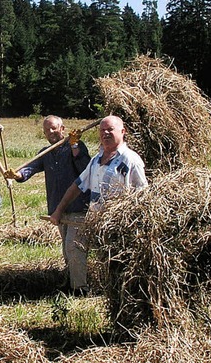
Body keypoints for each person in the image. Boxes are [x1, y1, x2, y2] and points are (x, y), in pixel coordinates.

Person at [49, 115, 148, 294]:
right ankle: (79, 289)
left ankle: (116, 293)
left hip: (118, 223)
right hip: (95, 219)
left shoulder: (131, 160)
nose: (106, 133)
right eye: (102, 130)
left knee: (115, 261)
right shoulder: (96, 160)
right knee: (74, 246)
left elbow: (143, 195)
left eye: (110, 129)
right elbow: (77, 185)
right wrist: (59, 210)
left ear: (123, 132)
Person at [4, 115, 91, 295]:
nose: (50, 132)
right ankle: (71, 283)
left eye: (53, 128)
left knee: (74, 248)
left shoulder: (76, 146)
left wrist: (75, 145)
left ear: (62, 128)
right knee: (67, 251)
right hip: (58, 209)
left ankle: (81, 289)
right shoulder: (46, 152)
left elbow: (85, 168)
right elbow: (30, 168)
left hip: (77, 207)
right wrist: (17, 175)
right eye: (46, 130)